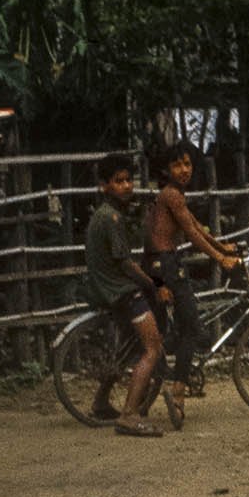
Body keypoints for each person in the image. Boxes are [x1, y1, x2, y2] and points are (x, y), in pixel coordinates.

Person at [142, 139, 242, 427]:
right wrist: (219, 258)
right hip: (166, 265)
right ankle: (177, 392)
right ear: (166, 169)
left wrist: (223, 247)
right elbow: (192, 234)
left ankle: (163, 375)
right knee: (194, 330)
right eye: (177, 164)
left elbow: (196, 226)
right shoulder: (171, 195)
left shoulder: (173, 197)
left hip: (160, 263)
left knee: (182, 327)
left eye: (187, 163)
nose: (184, 169)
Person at [82, 151, 166, 436]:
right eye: (119, 181)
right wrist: (153, 284)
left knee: (127, 347)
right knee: (152, 348)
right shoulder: (112, 219)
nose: (127, 186)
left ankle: (101, 402)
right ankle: (129, 415)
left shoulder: (103, 215)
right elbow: (126, 264)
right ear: (104, 185)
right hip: (122, 291)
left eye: (129, 180)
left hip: (107, 289)